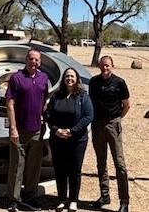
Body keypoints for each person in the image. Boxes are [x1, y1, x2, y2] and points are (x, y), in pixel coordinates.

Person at [5, 47, 49, 212]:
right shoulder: (16, 78)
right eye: (31, 59)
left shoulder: (43, 78)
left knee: (33, 166)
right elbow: (10, 103)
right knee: (17, 166)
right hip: (20, 130)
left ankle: (30, 196)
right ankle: (14, 199)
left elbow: (44, 101)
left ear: (40, 61)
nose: (34, 62)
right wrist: (13, 128)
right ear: (26, 60)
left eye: (37, 59)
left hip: (37, 130)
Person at [45, 67, 93, 212]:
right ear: (63, 79)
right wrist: (56, 130)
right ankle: (61, 199)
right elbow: (48, 115)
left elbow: (88, 117)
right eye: (67, 76)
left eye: (72, 76)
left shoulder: (83, 96)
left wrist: (72, 131)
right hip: (57, 139)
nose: (69, 79)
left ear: (77, 78)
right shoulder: (56, 96)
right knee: (59, 170)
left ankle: (73, 200)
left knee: (74, 170)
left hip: (77, 140)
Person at [89, 55, 131, 212]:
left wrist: (117, 119)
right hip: (97, 125)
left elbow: (126, 105)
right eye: (102, 66)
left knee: (119, 164)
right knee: (101, 162)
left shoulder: (119, 82)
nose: (105, 68)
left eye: (107, 66)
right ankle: (104, 195)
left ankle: (124, 201)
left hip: (113, 123)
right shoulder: (94, 82)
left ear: (112, 66)